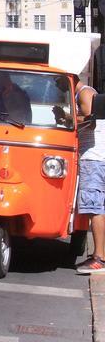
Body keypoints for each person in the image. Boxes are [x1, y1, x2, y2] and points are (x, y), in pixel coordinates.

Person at [76, 81, 105, 274]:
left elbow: (89, 119)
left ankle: (99, 259)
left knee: (94, 207)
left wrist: (66, 118)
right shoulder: (89, 92)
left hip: (93, 158)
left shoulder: (84, 94)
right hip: (96, 158)